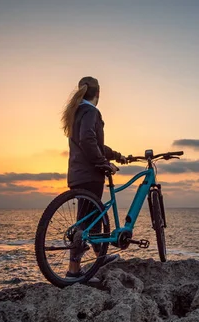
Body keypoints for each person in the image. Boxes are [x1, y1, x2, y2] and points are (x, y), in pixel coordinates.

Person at [61, 76, 124, 278]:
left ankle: (99, 257)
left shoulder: (76, 112)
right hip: (90, 173)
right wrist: (103, 164)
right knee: (84, 223)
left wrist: (115, 155)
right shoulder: (91, 111)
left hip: (78, 173)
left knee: (95, 216)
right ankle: (73, 270)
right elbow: (88, 140)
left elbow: (92, 142)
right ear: (98, 93)